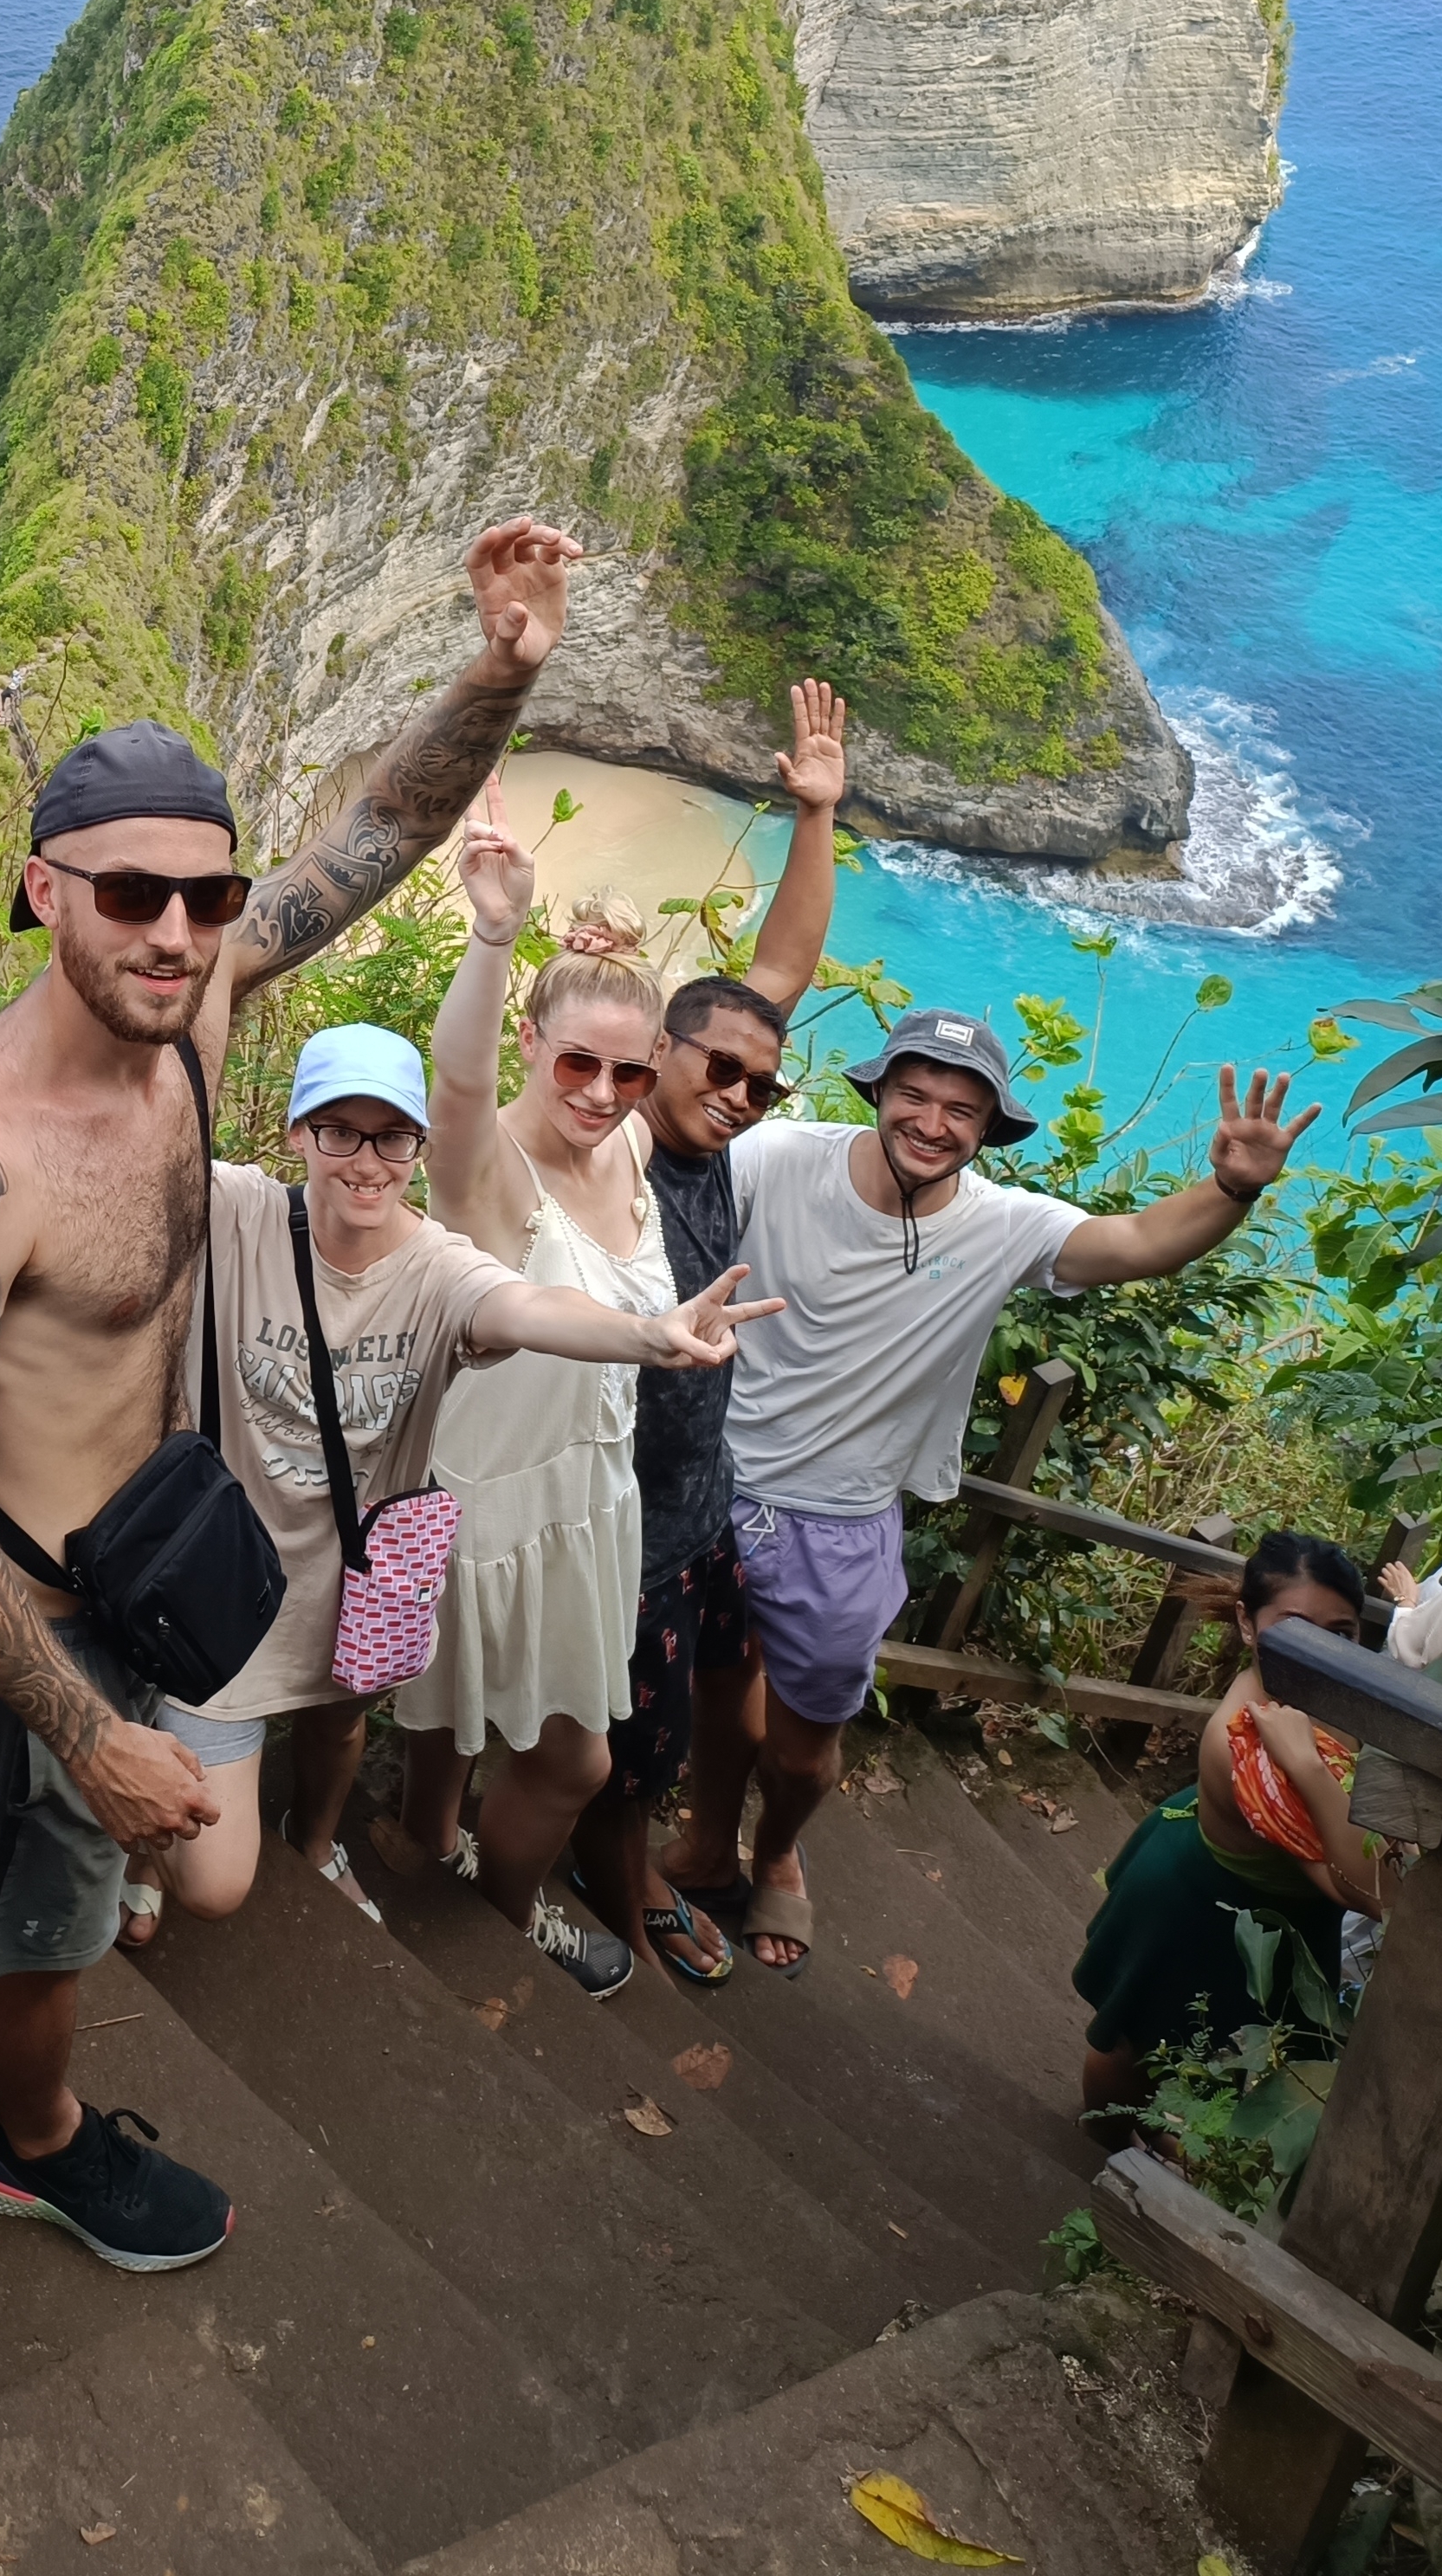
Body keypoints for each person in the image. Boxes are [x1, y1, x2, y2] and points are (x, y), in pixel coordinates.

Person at [0, 515, 580, 2277]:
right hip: (26, 1609)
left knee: (16, 1871)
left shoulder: (196, 1011)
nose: (177, 928)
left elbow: (382, 831)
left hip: (142, 1544)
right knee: (48, 1929)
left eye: (203, 893)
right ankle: (19, 2136)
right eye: (128, 894)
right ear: (42, 890)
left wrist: (495, 669)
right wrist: (84, 1728)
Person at [665, 1013, 1316, 1978]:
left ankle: (775, 1847)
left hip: (841, 1520)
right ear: (878, 1091)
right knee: (722, 1699)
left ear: (988, 1128)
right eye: (916, 1095)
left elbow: (1135, 1240)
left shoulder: (1002, 1225)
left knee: (803, 1751)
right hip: (714, 1487)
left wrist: (1230, 1186)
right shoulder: (774, 1156)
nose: (933, 1122)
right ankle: (707, 1840)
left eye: (961, 1109)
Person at [148, 1020, 773, 1936]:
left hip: (359, 1581)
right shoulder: (236, 1213)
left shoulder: (438, 1266)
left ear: (418, 1146)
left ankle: (318, 1839)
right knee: (211, 1886)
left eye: (391, 1136)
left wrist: (646, 1336)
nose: (365, 1161)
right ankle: (137, 1847)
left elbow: (525, 1305)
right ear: (295, 1133)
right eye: (338, 1131)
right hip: (214, 1581)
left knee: (339, 1722)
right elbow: (134, 1137)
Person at [550, 682, 850, 1985]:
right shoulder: (605, 1133)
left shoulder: (719, 1129)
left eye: (760, 1085)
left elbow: (772, 979)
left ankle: (646, 1860)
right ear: (653, 1057)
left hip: (698, 1505)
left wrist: (816, 816)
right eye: (713, 1069)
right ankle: (624, 1898)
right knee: (622, 1743)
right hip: (616, 1522)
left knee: (691, 1717)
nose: (737, 1095)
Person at [406, 856, 697, 1994]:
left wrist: (814, 816)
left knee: (465, 1713)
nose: (601, 1090)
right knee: (572, 1756)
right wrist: (492, 937)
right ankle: (495, 1913)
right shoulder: (489, 1170)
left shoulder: (629, 1140)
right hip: (484, 1492)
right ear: (531, 1040)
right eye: (577, 1060)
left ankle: (440, 1852)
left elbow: (765, 989)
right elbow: (457, 1085)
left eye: (631, 1069)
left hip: (584, 1497)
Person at [1074, 1533, 1382, 2133]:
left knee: (1198, 2041)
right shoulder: (1248, 1746)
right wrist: (1309, 1769)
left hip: (1260, 1887)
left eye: (1340, 1634)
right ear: (1248, 1623)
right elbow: (1369, 1889)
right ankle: (1108, 2139)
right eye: (1295, 1631)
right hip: (1208, 1904)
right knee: (1139, 2036)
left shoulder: (1306, 1692)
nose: (1321, 1653)